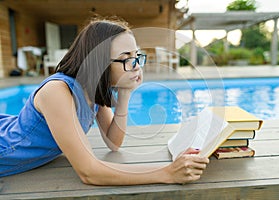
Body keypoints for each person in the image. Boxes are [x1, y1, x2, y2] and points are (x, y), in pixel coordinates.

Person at [0, 18, 209, 185]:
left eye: (137, 56)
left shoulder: (93, 91)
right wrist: (167, 173)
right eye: (126, 57)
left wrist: (125, 93)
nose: (136, 65)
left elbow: (113, 143)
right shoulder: (58, 91)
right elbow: (89, 173)